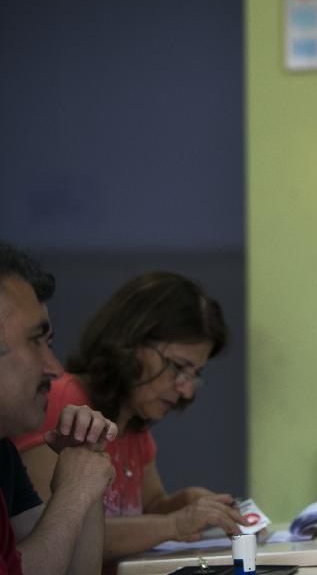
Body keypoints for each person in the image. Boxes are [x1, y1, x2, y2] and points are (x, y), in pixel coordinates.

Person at [15, 271, 247, 567]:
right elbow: (55, 533)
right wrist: (175, 524)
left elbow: (148, 509)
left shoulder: (136, 425)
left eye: (195, 375)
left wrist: (186, 502)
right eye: (178, 367)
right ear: (131, 342)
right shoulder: (64, 401)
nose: (186, 389)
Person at [0, 241, 117, 575]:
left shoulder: (2, 450)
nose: (54, 368)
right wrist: (74, 493)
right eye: (35, 341)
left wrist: (85, 465)